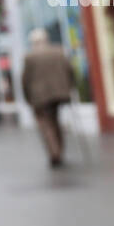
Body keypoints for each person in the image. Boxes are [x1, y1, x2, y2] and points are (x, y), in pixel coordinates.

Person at [21, 28, 76, 167]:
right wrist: (69, 87)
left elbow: (25, 80)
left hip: (39, 97)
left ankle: (54, 153)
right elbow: (70, 70)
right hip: (59, 94)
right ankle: (59, 149)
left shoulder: (30, 57)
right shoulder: (58, 51)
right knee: (55, 121)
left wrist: (27, 97)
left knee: (45, 124)